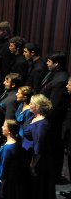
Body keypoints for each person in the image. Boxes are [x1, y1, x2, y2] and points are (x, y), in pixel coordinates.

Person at [39, 51, 69, 183]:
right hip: (47, 118)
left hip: (52, 122)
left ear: (56, 63)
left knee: (53, 148)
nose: (47, 63)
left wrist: (43, 118)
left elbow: (54, 106)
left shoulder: (61, 79)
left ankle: (53, 176)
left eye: (49, 62)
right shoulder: (53, 73)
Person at [23, 94, 55, 199]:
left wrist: (32, 165)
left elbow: (39, 147)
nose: (29, 104)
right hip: (28, 156)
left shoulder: (42, 124)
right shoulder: (34, 117)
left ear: (37, 106)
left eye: (31, 103)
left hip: (37, 162)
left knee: (37, 188)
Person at [0, 120, 22, 199]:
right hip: (10, 179)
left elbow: (4, 168)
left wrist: (0, 188)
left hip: (3, 181)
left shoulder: (8, 148)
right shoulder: (15, 142)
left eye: (4, 126)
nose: (2, 127)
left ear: (9, 131)